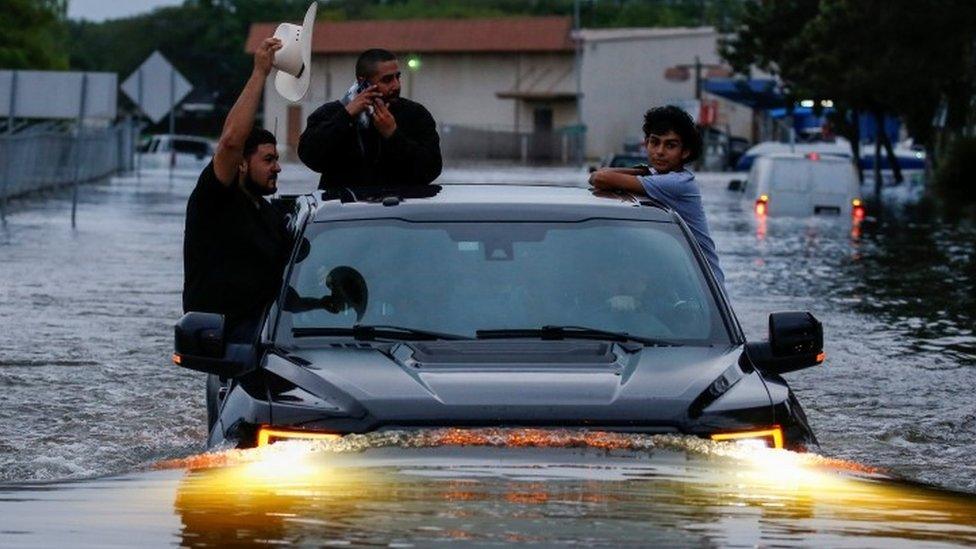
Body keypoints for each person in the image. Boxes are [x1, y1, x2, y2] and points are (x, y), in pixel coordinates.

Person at [182, 36, 292, 343]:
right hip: (226, 341)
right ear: (241, 165)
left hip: (271, 337)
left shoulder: (269, 216)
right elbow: (230, 141)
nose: (277, 168)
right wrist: (260, 73)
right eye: (268, 160)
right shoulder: (215, 199)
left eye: (277, 159)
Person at [589, 105, 725, 286]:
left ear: (685, 152)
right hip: (681, 276)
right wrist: (644, 171)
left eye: (670, 145)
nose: (660, 151)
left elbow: (600, 177)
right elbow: (598, 176)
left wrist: (642, 172)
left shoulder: (679, 183)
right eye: (654, 142)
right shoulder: (658, 176)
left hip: (704, 285)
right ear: (646, 144)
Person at [298, 48, 442, 190]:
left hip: (399, 209)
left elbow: (431, 169)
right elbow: (310, 156)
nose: (396, 85)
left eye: (397, 77)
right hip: (343, 209)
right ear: (363, 81)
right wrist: (345, 116)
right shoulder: (330, 113)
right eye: (387, 80)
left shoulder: (415, 114)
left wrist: (393, 135)